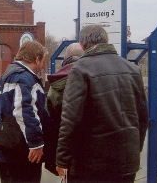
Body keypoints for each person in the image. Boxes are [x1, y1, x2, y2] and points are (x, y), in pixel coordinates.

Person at [56, 25, 149, 183]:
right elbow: (142, 116)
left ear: (82, 44)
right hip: (126, 162)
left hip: (91, 165)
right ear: (106, 40)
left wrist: (62, 159)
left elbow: (70, 119)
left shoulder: (80, 69)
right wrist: (137, 148)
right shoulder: (132, 69)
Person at [0, 41, 48, 183]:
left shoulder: (6, 76)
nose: (42, 65)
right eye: (43, 61)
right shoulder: (25, 78)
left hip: (4, 146)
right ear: (37, 59)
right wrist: (35, 144)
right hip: (20, 151)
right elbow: (23, 111)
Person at [44, 43, 84, 175]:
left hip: (63, 148)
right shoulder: (90, 76)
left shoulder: (55, 83)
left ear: (65, 57)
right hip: (89, 150)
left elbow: (49, 118)